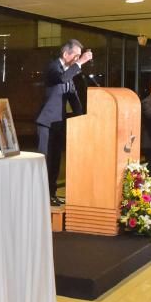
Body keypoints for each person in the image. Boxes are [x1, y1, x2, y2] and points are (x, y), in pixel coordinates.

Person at [36, 39, 92, 205]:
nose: (77, 59)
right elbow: (61, 79)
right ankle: (41, 195)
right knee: (45, 160)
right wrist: (80, 63)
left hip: (58, 123)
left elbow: (73, 97)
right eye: (75, 56)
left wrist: (83, 119)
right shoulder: (54, 67)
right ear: (66, 54)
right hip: (46, 122)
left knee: (55, 161)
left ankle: (51, 194)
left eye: (78, 57)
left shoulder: (69, 71)